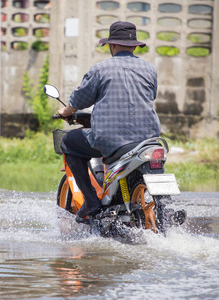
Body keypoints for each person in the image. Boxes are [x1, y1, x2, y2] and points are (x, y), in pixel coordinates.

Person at [57, 21, 160, 223]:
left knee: (68, 141)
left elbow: (78, 100)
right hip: (148, 140)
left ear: (112, 46)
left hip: (111, 140)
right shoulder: (150, 69)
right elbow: (150, 95)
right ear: (134, 46)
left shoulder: (100, 70)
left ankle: (91, 202)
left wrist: (65, 111)